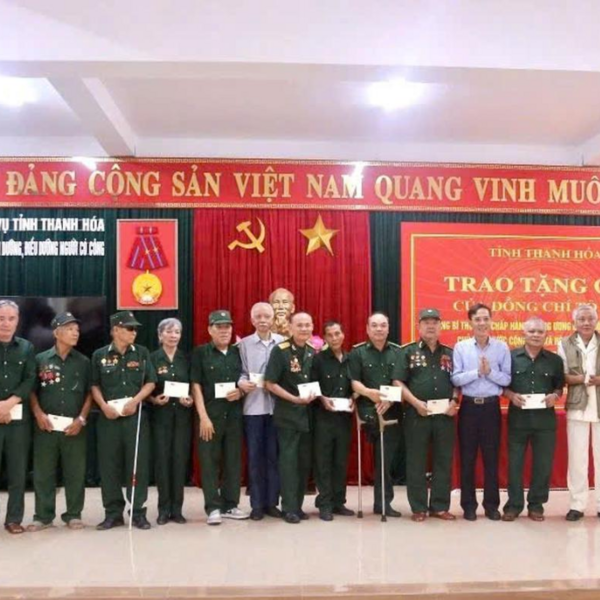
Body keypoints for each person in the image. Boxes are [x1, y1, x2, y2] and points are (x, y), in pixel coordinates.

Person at [91, 311, 156, 530]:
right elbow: (94, 385)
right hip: (109, 418)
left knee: (138, 465)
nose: (134, 332)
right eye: (129, 328)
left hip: (134, 417)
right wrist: (103, 406)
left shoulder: (142, 353)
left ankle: (137, 512)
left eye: (135, 329)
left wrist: (136, 401)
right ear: (116, 330)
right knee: (109, 466)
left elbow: (150, 382)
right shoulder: (99, 355)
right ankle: (112, 513)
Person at [28, 312, 92, 531]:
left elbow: (90, 393)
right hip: (46, 426)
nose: (75, 333)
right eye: (70, 329)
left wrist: (81, 419)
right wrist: (38, 414)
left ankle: (73, 514)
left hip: (74, 426)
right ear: (57, 333)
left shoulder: (83, 362)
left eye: (77, 330)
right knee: (43, 472)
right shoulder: (40, 360)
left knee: (75, 472)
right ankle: (43, 516)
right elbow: (32, 391)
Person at [396, 308, 459, 522]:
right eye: (426, 322)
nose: (431, 326)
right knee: (416, 462)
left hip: (444, 415)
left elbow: (457, 382)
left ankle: (439, 506)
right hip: (417, 414)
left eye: (434, 322)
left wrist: (455, 401)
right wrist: (415, 403)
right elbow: (398, 381)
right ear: (419, 326)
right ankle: (419, 508)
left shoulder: (450, 353)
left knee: (443, 460)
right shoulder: (407, 352)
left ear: (440, 326)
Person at [451, 303, 511, 521]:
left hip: (491, 408)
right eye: (478, 319)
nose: (482, 323)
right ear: (471, 322)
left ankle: (491, 506)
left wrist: (490, 372)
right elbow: (455, 379)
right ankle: (468, 506)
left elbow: (507, 379)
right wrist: (477, 372)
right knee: (467, 458)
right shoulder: (461, 347)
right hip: (468, 408)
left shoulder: (501, 347)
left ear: (491, 321)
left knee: (491, 458)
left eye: (486, 319)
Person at [502, 317, 564, 522]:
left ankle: (536, 505)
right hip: (518, 420)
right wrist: (511, 396)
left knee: (543, 465)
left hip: (545, 422)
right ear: (523, 334)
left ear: (546, 335)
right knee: (515, 465)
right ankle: (513, 506)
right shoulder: (510, 357)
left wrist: (555, 396)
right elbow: (502, 385)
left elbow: (559, 387)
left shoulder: (555, 360)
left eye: (540, 332)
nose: (536, 335)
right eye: (532, 331)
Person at [191, 310, 249, 526]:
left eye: (227, 327)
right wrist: (203, 417)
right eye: (219, 327)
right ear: (210, 329)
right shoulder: (200, 353)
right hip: (210, 415)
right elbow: (195, 385)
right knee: (209, 463)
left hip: (234, 415)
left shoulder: (238, 352)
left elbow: (245, 379)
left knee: (233, 461)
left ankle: (230, 504)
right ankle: (213, 507)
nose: (224, 331)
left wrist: (241, 392)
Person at [349, 312, 403, 517]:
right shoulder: (357, 352)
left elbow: (402, 381)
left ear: (388, 329)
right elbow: (354, 381)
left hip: (392, 409)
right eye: (374, 325)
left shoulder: (398, 352)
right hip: (367, 409)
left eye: (383, 325)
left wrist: (390, 399)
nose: (379, 329)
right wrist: (369, 393)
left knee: (385, 459)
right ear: (367, 329)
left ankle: (383, 503)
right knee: (378, 450)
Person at [265, 312, 316, 524]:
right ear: (291, 327)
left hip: (308, 417)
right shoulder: (281, 350)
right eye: (300, 325)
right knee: (288, 463)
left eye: (307, 325)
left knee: (303, 463)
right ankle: (288, 508)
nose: (304, 329)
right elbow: (269, 383)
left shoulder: (312, 351)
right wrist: (294, 399)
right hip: (288, 415)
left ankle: (298, 506)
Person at [238, 302, 283, 520]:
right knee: (255, 458)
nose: (263, 320)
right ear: (252, 319)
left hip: (278, 409)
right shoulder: (243, 345)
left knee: (274, 457)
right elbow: (240, 372)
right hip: (253, 408)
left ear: (273, 319)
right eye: (258, 316)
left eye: (267, 316)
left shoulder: (283, 343)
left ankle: (272, 503)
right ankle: (256, 504)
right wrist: (241, 383)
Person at [557, 304, 600, 521]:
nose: (586, 323)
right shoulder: (564, 343)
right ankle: (577, 505)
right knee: (577, 459)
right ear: (574, 322)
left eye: (590, 318)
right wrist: (582, 379)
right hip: (577, 405)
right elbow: (562, 376)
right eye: (581, 319)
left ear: (596, 320)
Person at [150, 318, 193, 525]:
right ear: (160, 335)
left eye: (177, 332)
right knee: (162, 463)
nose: (173, 335)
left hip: (182, 417)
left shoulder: (186, 358)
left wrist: (190, 399)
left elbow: (194, 387)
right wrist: (154, 400)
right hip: (161, 418)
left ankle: (177, 510)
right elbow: (146, 387)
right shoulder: (152, 358)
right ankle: (163, 509)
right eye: (169, 331)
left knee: (179, 462)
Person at [311, 320, 355, 521]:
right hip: (324, 418)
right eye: (330, 335)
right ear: (325, 338)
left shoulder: (351, 359)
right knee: (324, 462)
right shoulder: (318, 360)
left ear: (343, 335)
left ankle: (339, 502)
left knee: (340, 461)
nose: (335, 338)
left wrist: (354, 398)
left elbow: (356, 384)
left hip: (344, 417)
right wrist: (322, 398)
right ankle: (325, 504)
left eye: (337, 333)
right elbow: (311, 385)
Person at [0, 299, 36, 534]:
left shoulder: (26, 348)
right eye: (1, 318)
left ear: (17, 321)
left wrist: (8, 404)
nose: (6, 323)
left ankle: (13, 519)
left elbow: (30, 379)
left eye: (11, 318)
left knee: (17, 472)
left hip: (17, 420)